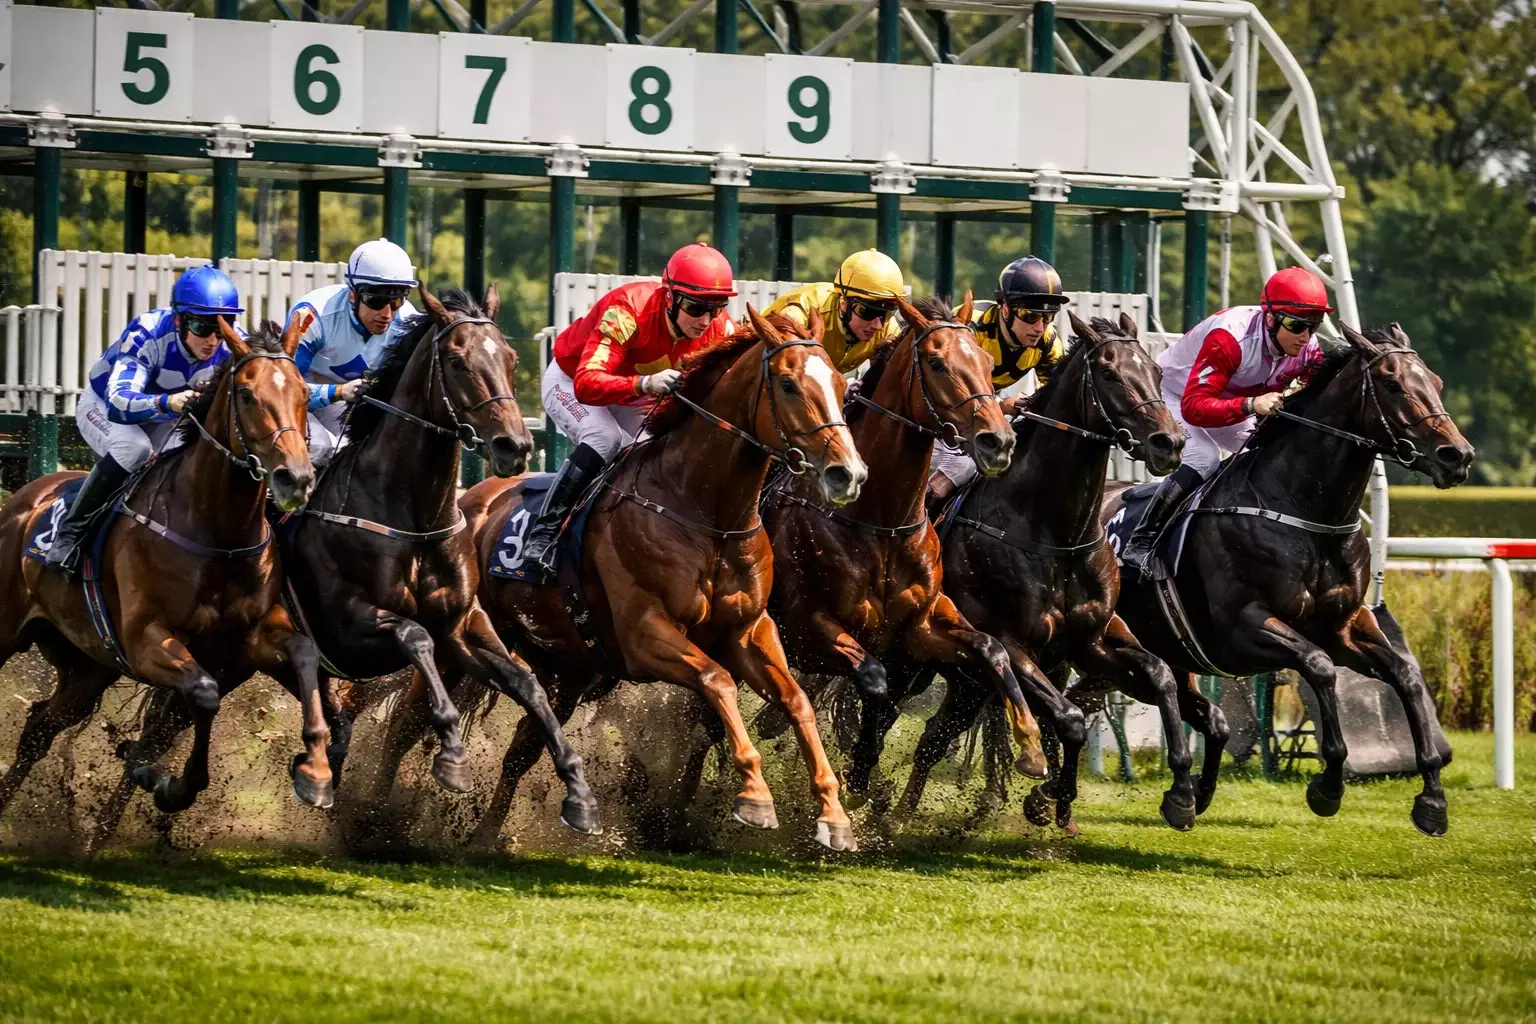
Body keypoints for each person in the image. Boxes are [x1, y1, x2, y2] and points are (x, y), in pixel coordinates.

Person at [521, 242, 739, 580]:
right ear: (670, 297)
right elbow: (588, 383)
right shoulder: (627, 310)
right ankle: (543, 535)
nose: (706, 320)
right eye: (696, 308)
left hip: (635, 388)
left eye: (717, 308)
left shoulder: (718, 326)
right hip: (571, 380)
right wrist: (644, 384)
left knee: (662, 447)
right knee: (605, 438)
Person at [1119, 266, 1332, 575]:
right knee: (1204, 457)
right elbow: (1194, 408)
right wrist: (1251, 404)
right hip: (1174, 395)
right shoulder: (1230, 338)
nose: (1305, 336)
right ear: (1271, 318)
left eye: (1314, 326)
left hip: (1223, 397)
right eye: (1297, 325)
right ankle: (1141, 542)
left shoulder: (1307, 350)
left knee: (1264, 454)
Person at [45, 265, 245, 574]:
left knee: (195, 459)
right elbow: (119, 401)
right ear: (179, 320)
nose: (213, 340)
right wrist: (167, 401)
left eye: (222, 327)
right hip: (105, 407)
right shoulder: (148, 333)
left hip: (165, 416)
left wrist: (334, 392)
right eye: (201, 327)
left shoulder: (232, 343)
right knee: (135, 449)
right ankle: (70, 531)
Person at [925, 255, 1071, 513]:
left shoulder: (1048, 343)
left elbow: (1056, 400)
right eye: (1030, 315)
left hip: (978, 404)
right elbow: (949, 389)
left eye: (1048, 317)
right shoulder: (970, 329)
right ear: (1005, 308)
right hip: (939, 401)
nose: (1039, 328)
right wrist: (1002, 405)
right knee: (963, 466)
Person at [286, 238, 419, 465]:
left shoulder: (407, 321)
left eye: (396, 300)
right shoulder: (311, 316)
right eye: (375, 300)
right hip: (301, 399)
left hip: (353, 402)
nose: (387, 313)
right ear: (352, 295)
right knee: (320, 446)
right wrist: (337, 392)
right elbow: (286, 391)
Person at [765, 249, 905, 373]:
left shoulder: (888, 330)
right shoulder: (801, 315)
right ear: (843, 302)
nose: (878, 325)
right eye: (867, 312)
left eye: (887, 313)